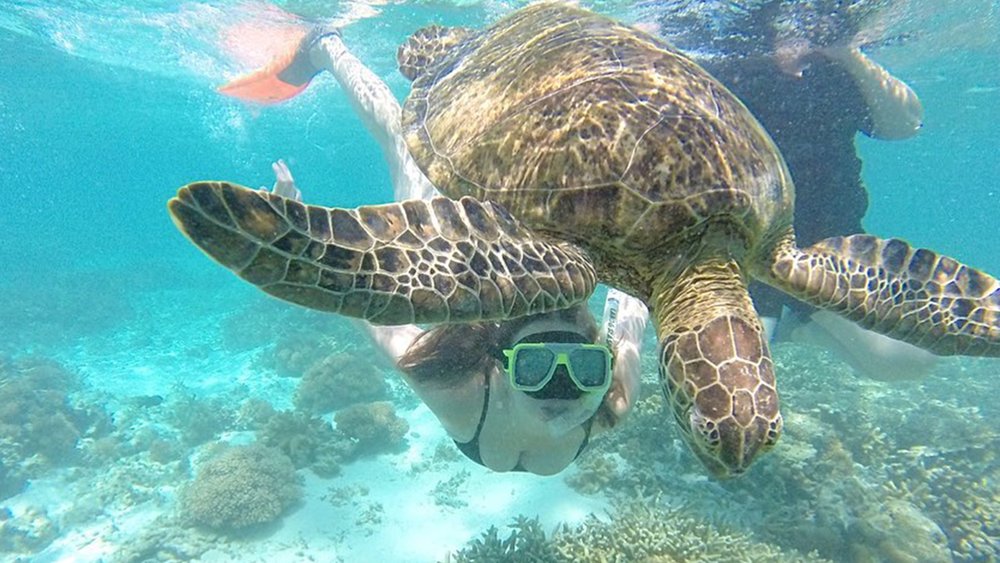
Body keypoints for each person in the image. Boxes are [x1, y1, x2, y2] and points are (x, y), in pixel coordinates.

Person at [232, 27, 651, 475]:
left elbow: (362, 308)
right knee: (405, 142)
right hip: (495, 252)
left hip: (469, 268)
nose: (561, 392)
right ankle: (326, 46)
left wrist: (296, 234)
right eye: (534, 367)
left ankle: (334, 49)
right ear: (502, 370)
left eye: (588, 370)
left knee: (402, 143)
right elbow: (637, 299)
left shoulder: (451, 389)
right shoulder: (599, 401)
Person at [641, 0, 936, 379]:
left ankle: (788, 325)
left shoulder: (834, 71)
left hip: (829, 249)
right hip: (737, 251)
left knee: (909, 359)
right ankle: (781, 327)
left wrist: (846, 54)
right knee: (726, 373)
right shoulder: (722, 64)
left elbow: (907, 123)